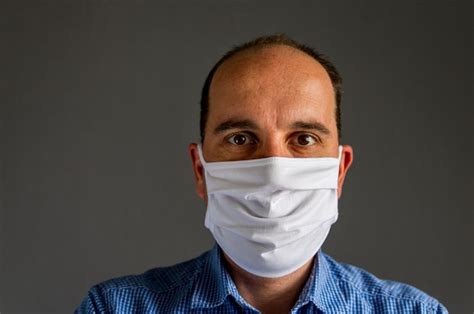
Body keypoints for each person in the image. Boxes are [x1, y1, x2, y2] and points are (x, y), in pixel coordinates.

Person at [75, 34, 447, 313]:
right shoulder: (113, 308)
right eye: (240, 138)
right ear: (200, 169)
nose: (273, 169)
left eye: (303, 138)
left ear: (339, 172)